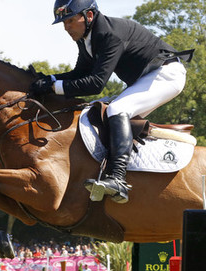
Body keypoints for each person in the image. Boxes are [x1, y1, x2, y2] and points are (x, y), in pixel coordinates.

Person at [30, 0, 193, 204]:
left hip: (166, 74)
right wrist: (50, 79)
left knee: (117, 109)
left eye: (70, 20)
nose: (66, 27)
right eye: (63, 23)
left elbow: (96, 83)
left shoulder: (109, 35)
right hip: (149, 76)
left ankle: (118, 179)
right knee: (103, 110)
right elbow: (80, 73)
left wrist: (54, 88)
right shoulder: (86, 38)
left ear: (89, 16)